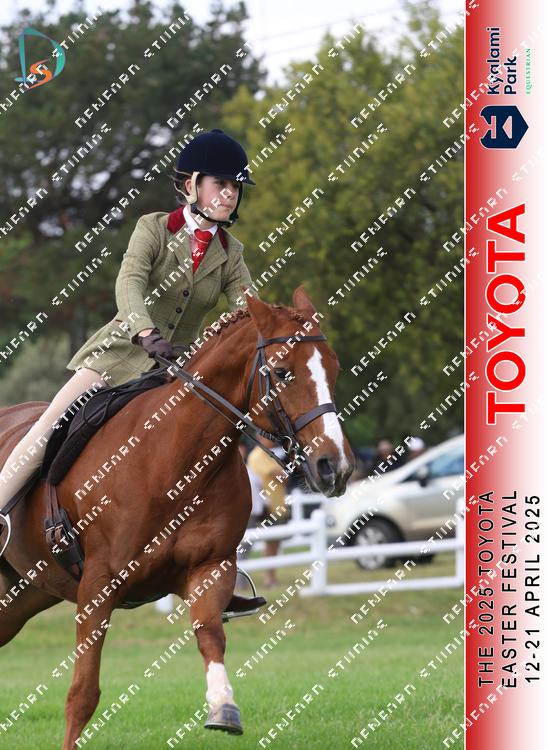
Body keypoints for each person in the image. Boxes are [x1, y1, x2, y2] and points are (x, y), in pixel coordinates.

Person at [0, 128, 261, 612]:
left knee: (212, 448)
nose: (229, 193)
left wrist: (273, 328)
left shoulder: (231, 253)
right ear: (191, 185)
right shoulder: (153, 228)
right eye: (220, 183)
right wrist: (144, 331)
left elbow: (249, 310)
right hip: (118, 357)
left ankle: (210, 566)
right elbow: (129, 284)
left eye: (235, 187)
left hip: (174, 372)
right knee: (48, 427)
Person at [247, 436, 289, 588]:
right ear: (259, 438)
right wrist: (283, 473)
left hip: (276, 506)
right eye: (267, 437)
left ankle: (271, 576)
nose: (272, 439)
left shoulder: (270, 455)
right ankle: (268, 578)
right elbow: (280, 475)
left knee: (274, 544)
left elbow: (283, 476)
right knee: (270, 544)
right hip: (267, 508)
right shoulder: (257, 455)